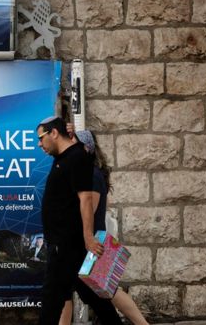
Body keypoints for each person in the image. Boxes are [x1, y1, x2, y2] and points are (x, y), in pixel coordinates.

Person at [36, 116, 123, 325]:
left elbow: (85, 199)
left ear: (54, 134)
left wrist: (88, 238)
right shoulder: (64, 157)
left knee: (51, 301)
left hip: (65, 245)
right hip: (65, 245)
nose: (39, 144)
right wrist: (68, 130)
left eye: (41, 137)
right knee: (92, 297)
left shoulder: (77, 159)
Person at [58, 130, 149, 325]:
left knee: (109, 291)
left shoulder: (91, 174)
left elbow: (89, 210)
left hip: (91, 243)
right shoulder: (86, 172)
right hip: (86, 242)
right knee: (68, 292)